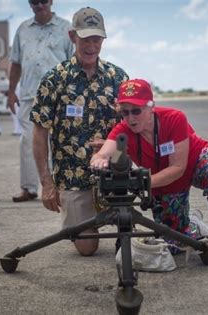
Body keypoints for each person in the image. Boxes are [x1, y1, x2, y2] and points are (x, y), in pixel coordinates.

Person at [90, 79, 208, 265]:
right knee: (173, 243)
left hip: (195, 163)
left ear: (151, 107)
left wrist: (143, 183)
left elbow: (178, 167)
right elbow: (103, 153)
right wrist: (99, 160)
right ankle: (194, 224)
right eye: (125, 112)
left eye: (136, 110)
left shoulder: (174, 117)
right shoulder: (123, 130)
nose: (131, 118)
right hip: (165, 182)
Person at [30, 7, 129, 256]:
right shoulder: (54, 79)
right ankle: (87, 218)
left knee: (128, 237)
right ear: (72, 36)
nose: (91, 45)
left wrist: (112, 146)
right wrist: (47, 185)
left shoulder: (118, 78)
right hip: (74, 179)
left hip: (112, 176)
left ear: (103, 40)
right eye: (86, 38)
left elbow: (133, 126)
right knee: (86, 248)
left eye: (97, 39)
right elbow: (39, 132)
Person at [7, 0, 74, 202]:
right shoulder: (22, 29)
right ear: (29, 4)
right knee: (27, 141)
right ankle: (28, 188)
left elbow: (74, 62)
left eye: (43, 1)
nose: (40, 5)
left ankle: (60, 185)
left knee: (60, 142)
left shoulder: (66, 28)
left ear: (51, 1)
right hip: (29, 95)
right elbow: (16, 63)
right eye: (35, 2)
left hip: (59, 96)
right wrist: (11, 92)